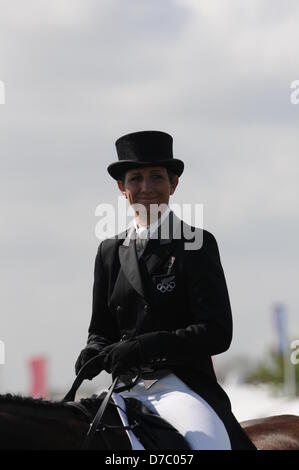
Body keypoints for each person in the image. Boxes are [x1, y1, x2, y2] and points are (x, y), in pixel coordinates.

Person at [75, 130, 256, 450]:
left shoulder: (196, 244)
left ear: (173, 184)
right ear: (122, 187)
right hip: (126, 386)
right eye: (136, 178)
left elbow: (216, 332)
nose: (146, 188)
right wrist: (94, 350)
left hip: (182, 385)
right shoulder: (109, 251)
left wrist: (145, 347)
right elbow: (100, 329)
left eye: (156, 177)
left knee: (210, 445)